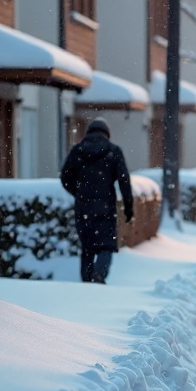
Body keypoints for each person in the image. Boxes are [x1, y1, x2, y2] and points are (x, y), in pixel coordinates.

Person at [60, 117, 134, 283]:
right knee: (106, 244)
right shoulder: (113, 151)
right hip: (105, 206)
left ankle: (86, 280)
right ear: (106, 134)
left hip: (83, 206)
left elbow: (65, 176)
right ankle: (99, 273)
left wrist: (77, 192)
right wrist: (129, 207)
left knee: (88, 247)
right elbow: (124, 180)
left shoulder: (77, 151)